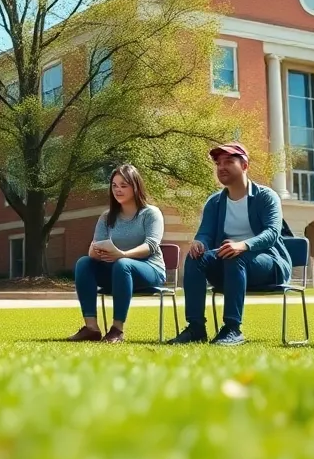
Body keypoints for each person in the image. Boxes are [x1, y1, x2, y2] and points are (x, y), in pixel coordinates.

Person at [168, 142, 292, 346]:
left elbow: (271, 233)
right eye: (218, 163)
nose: (221, 167)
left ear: (244, 166)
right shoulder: (214, 202)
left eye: (228, 162)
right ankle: (196, 327)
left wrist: (242, 245)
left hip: (269, 265)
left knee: (235, 256)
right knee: (195, 258)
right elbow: (205, 234)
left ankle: (232, 329)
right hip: (229, 266)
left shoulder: (266, 197)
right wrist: (199, 242)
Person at [66, 164, 166, 344]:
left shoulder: (150, 213)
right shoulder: (106, 217)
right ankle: (91, 328)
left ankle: (117, 330)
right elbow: (95, 247)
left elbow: (151, 245)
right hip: (117, 271)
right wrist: (96, 251)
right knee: (84, 263)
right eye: (114, 185)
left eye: (123, 185)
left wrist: (123, 255)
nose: (118, 190)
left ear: (135, 186)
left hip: (150, 269)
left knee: (122, 264)